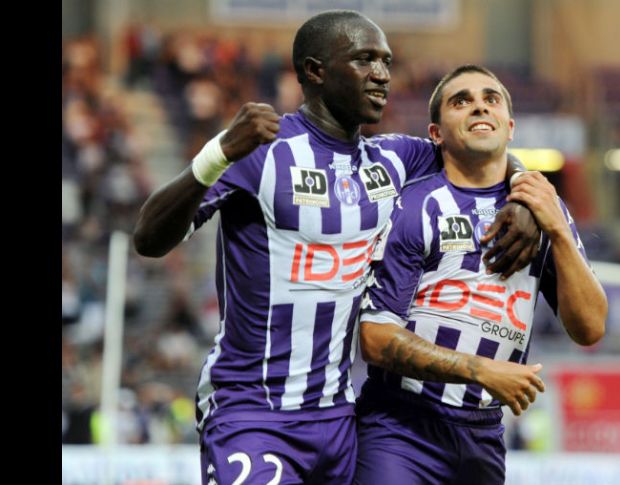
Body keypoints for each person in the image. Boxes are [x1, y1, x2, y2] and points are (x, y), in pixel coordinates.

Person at [133, 11, 539, 485]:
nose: (382, 74)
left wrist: (523, 191)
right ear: (315, 71)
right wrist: (217, 152)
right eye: (365, 60)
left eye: (386, 62)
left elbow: (476, 149)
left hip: (340, 419)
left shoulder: (394, 159)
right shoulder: (261, 150)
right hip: (253, 412)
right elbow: (148, 237)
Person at [354, 65, 608, 485]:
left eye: (490, 99)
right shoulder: (415, 206)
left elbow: (590, 329)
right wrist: (480, 370)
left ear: (510, 128)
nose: (478, 107)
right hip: (400, 426)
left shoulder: (545, 208)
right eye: (461, 101)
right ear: (435, 133)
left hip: (484, 434)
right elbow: (376, 338)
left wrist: (558, 229)